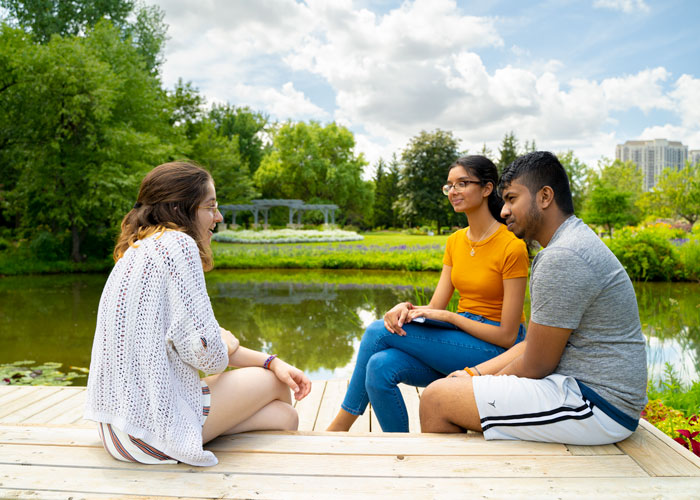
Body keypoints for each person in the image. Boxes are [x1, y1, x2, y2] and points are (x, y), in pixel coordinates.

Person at [85, 161, 311, 466]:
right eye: (211, 206)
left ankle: (198, 430)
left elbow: (198, 342)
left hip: (120, 431)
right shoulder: (178, 244)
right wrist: (229, 345)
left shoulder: (137, 251)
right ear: (182, 209)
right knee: (277, 386)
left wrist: (272, 361)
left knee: (285, 416)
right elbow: (210, 355)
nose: (218, 217)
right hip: (150, 433)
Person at [419, 151, 647, 445]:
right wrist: (471, 374)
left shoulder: (562, 257)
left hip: (596, 405)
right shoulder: (570, 242)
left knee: (437, 399)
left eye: (512, 199)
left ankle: (458, 486)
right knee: (451, 388)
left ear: (545, 197)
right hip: (584, 392)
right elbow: (532, 345)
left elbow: (535, 364)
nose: (503, 211)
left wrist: (477, 384)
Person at [327, 155, 529, 432]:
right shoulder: (455, 241)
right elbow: (435, 306)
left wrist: (453, 318)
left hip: (493, 350)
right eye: (449, 186)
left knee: (377, 332)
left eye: (462, 183)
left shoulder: (511, 247)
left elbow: (508, 336)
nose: (453, 191)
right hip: (458, 342)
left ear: (486, 188)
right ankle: (400, 449)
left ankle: (340, 425)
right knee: (379, 366)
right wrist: (407, 308)